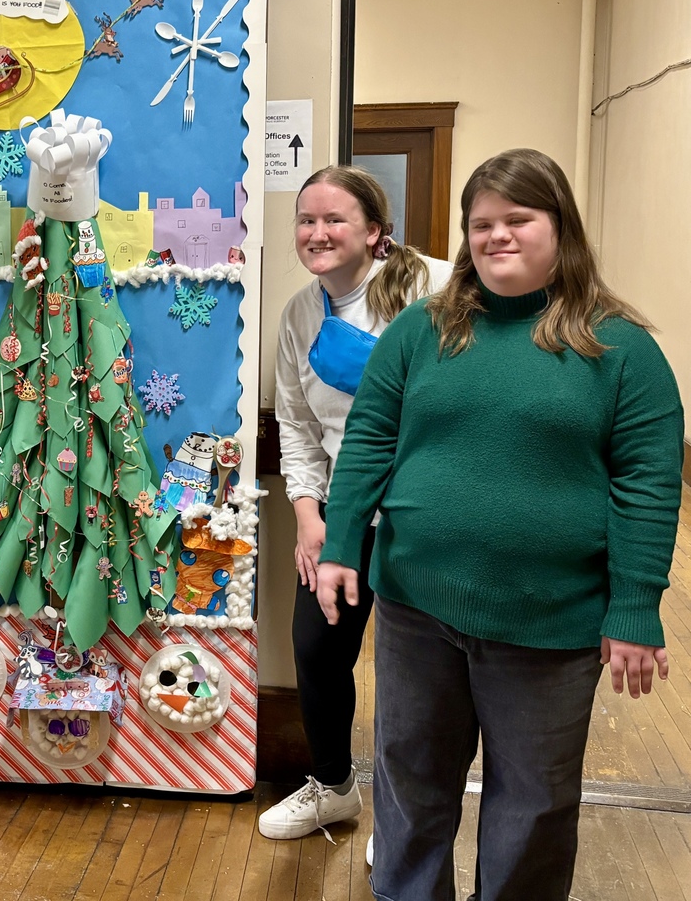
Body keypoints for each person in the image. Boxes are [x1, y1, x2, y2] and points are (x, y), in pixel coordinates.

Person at [317, 148, 684, 900]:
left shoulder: (622, 350)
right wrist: (342, 542)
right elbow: (369, 441)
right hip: (417, 609)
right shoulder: (423, 331)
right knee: (411, 785)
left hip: (550, 625)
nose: (497, 236)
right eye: (481, 224)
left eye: (519, 219)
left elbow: (648, 486)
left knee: (534, 806)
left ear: (562, 229)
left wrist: (635, 607)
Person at [258, 166, 452, 841]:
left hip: (432, 517)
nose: (316, 232)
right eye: (306, 220)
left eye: (334, 219)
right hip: (345, 517)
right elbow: (299, 428)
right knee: (315, 650)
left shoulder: (438, 287)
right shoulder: (300, 314)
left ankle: (406, 824)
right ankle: (333, 787)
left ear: (375, 230)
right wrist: (309, 518)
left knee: (418, 678)